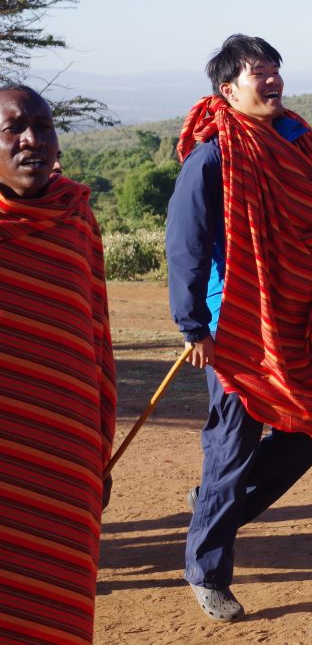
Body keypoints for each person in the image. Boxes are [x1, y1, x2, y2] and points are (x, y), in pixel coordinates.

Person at [166, 34, 312, 622]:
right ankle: (207, 570)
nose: (272, 81)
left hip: (292, 319)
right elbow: (185, 246)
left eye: (275, 70)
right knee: (232, 448)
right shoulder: (213, 155)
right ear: (228, 89)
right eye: (257, 73)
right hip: (237, 322)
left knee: (307, 434)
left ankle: (213, 510)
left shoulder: (296, 139)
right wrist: (193, 325)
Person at [0, 85, 116, 644]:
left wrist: (99, 449)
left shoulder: (74, 216)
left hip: (65, 458)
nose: (32, 140)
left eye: (44, 127)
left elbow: (96, 336)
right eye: (15, 129)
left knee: (59, 606)